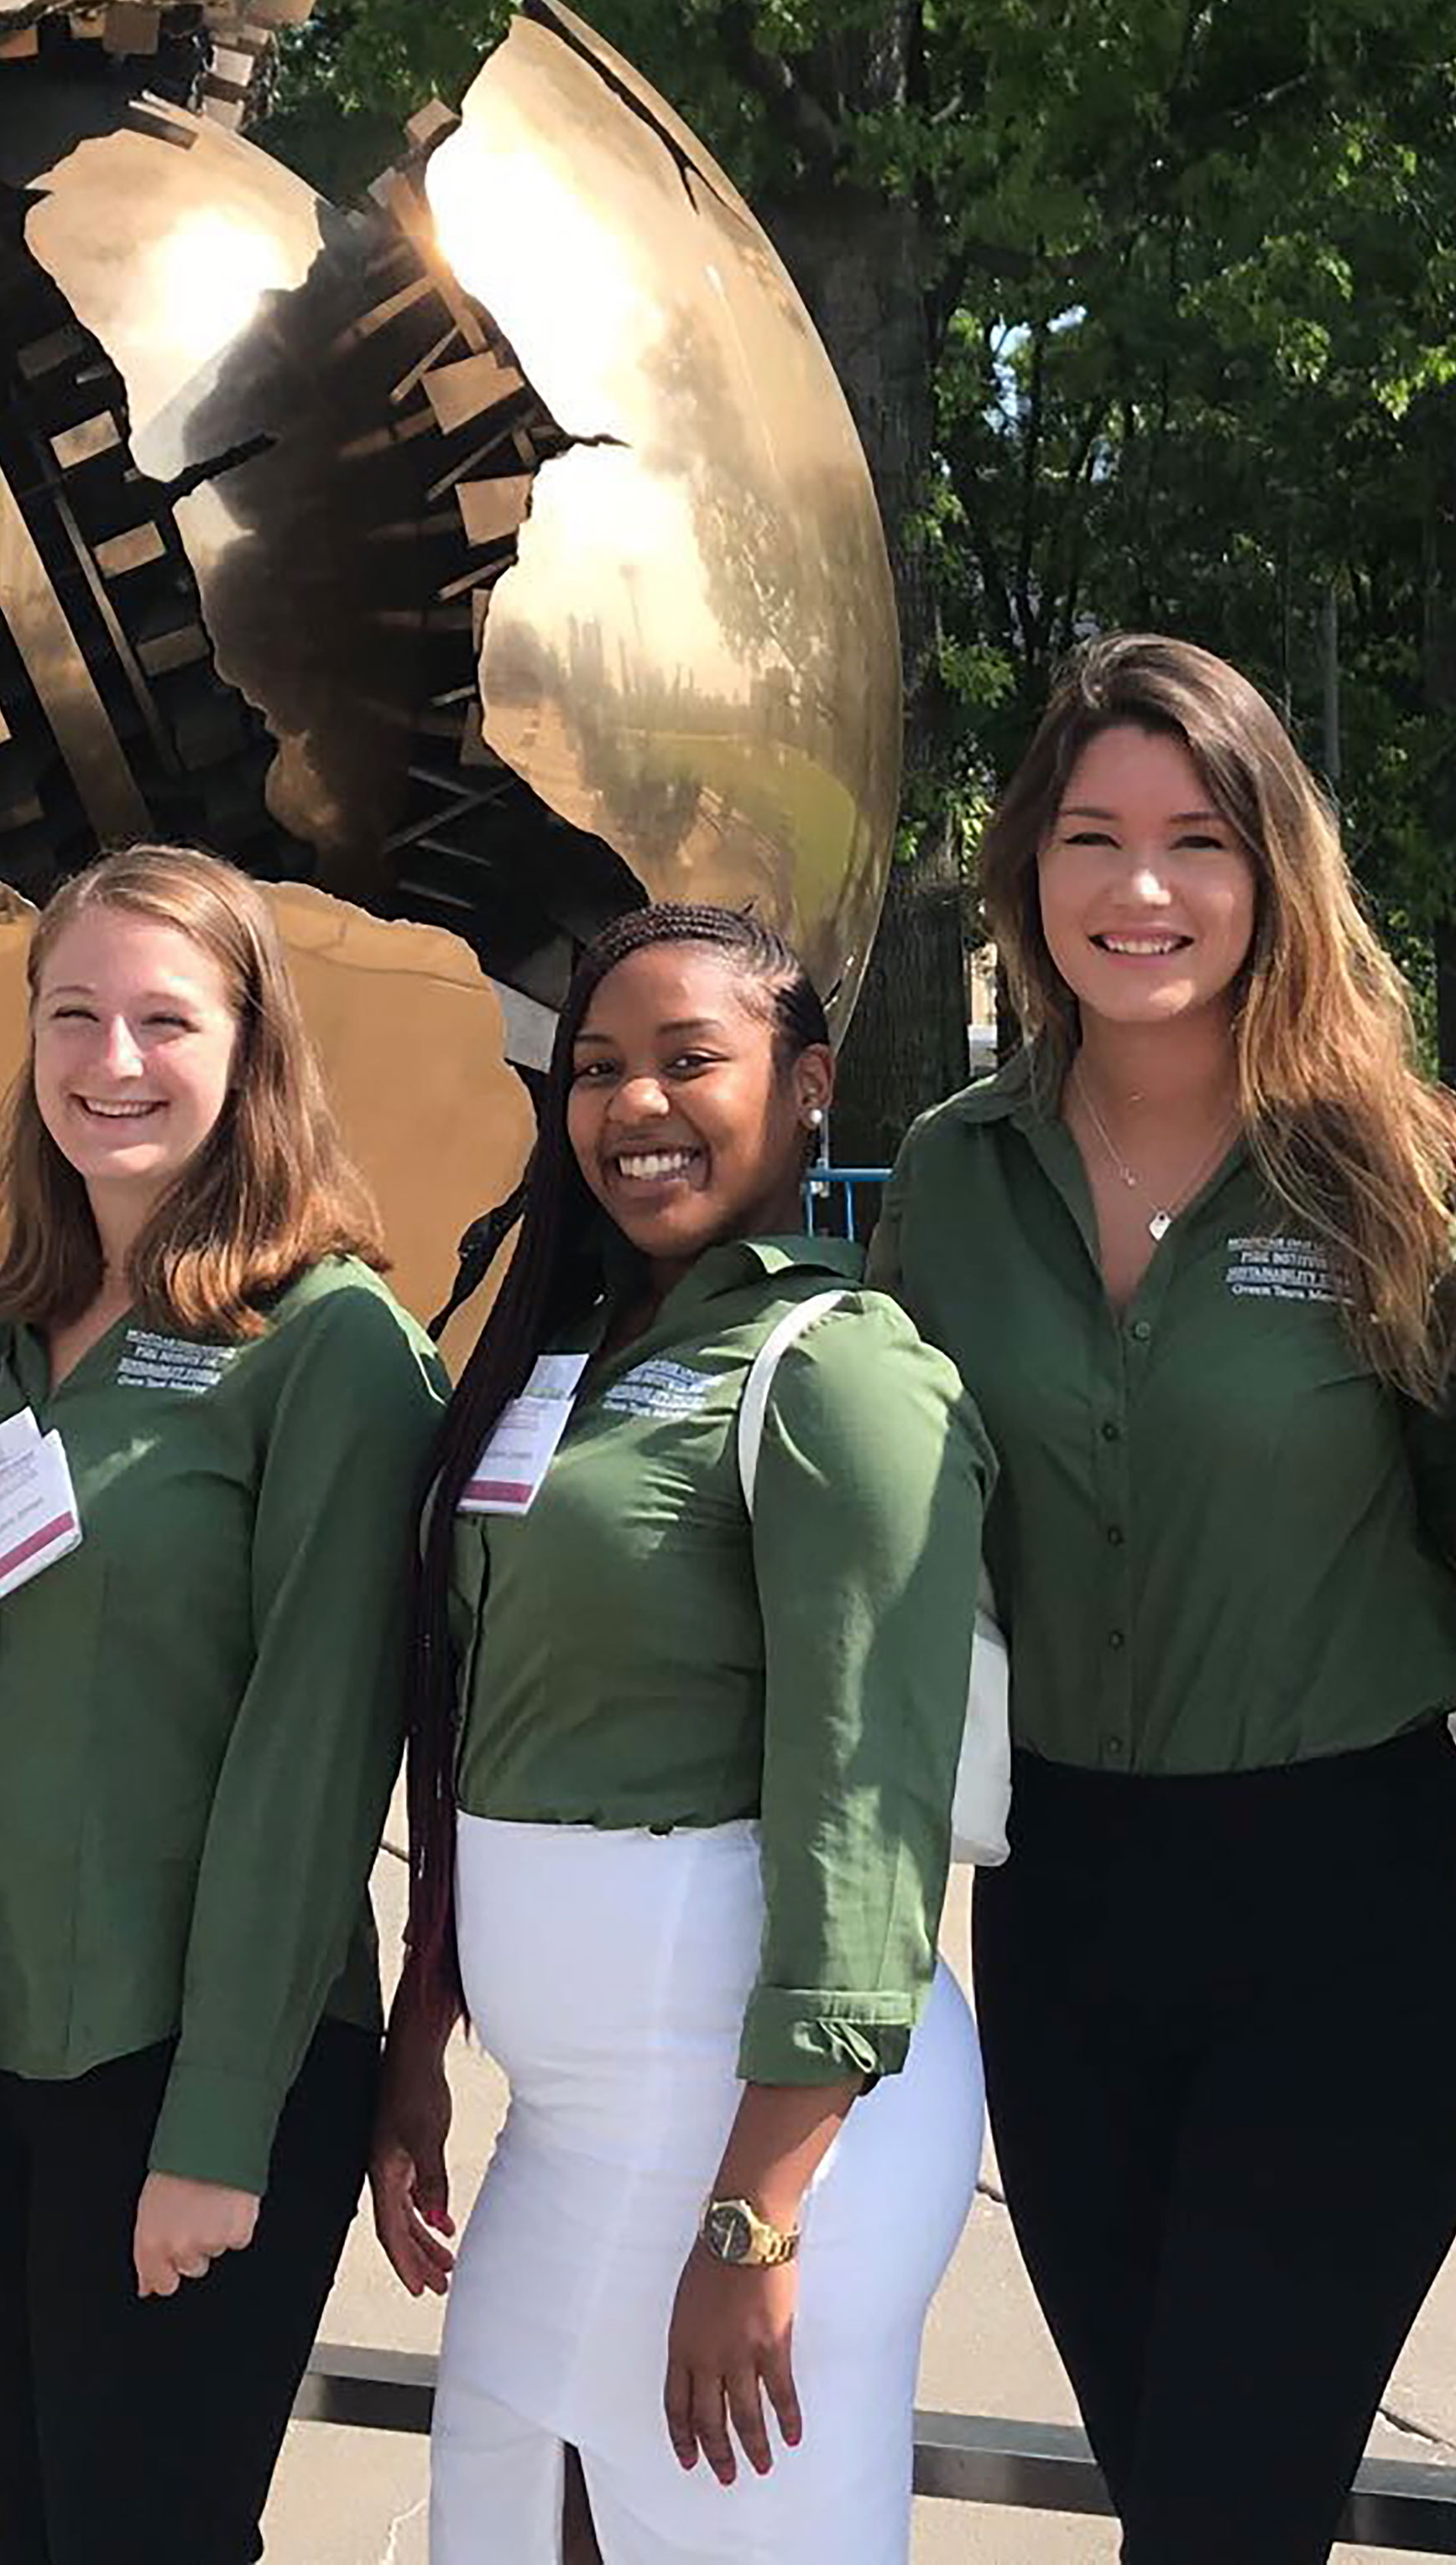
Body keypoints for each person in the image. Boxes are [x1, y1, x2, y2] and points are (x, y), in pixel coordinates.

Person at [864, 629, 1456, 2563]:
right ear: (1024, 878)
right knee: (1180, 2487)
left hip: (1349, 1921)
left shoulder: (1401, 1175)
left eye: (1197, 840)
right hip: (1060, 1919)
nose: (1141, 890)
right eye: (1092, 837)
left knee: (1224, 2512)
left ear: (1272, 875)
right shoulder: (950, 1181)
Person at [369, 902, 990, 2564]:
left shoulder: (836, 1368)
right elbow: (482, 1710)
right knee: (508, 2526)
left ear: (806, 1088)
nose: (633, 1103)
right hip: (564, 2135)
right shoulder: (560, 1356)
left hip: (760, 2147)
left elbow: (869, 1825)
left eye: (688, 1060)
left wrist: (756, 2218)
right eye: (595, 1068)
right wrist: (421, 2025)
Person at [0, 846, 445, 2562]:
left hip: (192, 2063)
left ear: (249, 1046)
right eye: (76, 1015)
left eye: (162, 1019)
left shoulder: (330, 1344)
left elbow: (314, 1760)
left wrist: (217, 2132)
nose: (110, 1060)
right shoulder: (18, 1334)